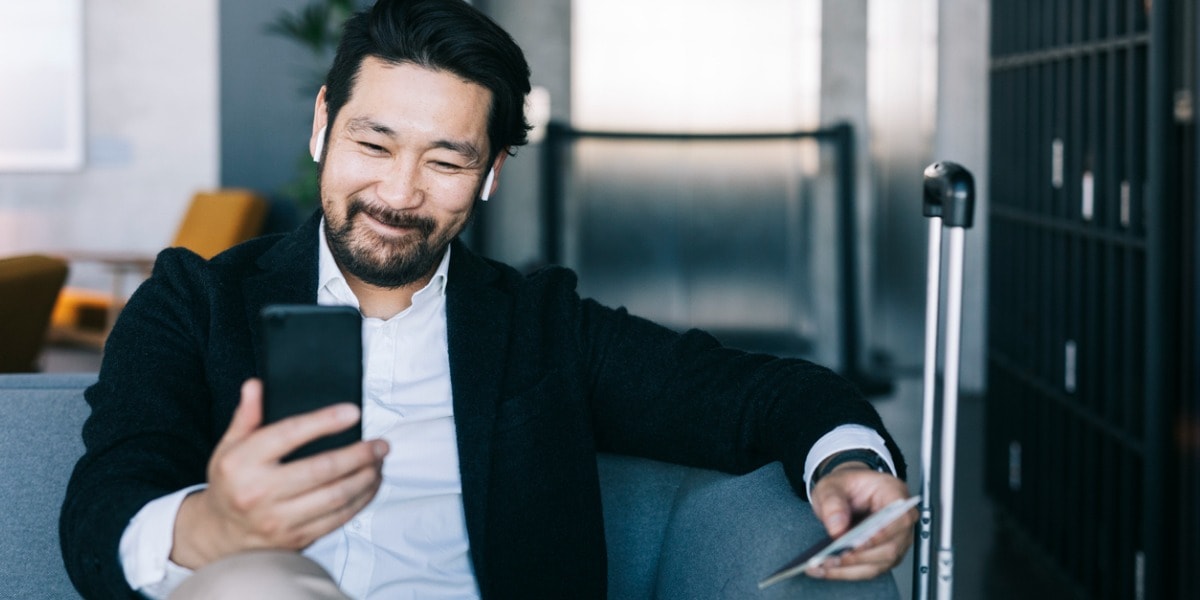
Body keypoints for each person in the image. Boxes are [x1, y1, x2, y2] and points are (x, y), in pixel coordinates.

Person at [59, 0, 915, 598]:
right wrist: (214, 527)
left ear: (492, 172)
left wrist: (849, 461)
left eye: (446, 161)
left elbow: (763, 395)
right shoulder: (195, 302)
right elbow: (103, 506)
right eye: (373, 142)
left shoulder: (542, 329)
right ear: (324, 123)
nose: (397, 193)